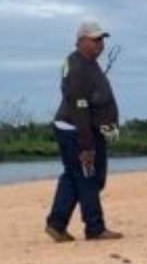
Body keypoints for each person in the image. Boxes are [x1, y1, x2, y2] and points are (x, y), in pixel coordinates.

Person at [44, 20, 123, 242]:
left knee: (76, 176)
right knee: (88, 177)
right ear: (81, 41)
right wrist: (86, 144)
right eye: (95, 40)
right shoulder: (77, 66)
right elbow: (79, 107)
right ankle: (95, 228)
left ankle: (56, 224)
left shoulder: (89, 62)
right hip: (76, 130)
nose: (100, 44)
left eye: (102, 40)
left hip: (85, 129)